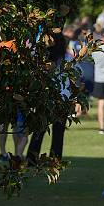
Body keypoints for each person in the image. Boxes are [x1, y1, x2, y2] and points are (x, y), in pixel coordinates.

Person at [26, 31, 69, 165]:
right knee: (58, 132)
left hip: (45, 97)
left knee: (39, 129)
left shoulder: (42, 60)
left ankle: (31, 159)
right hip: (62, 99)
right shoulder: (66, 59)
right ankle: (55, 159)